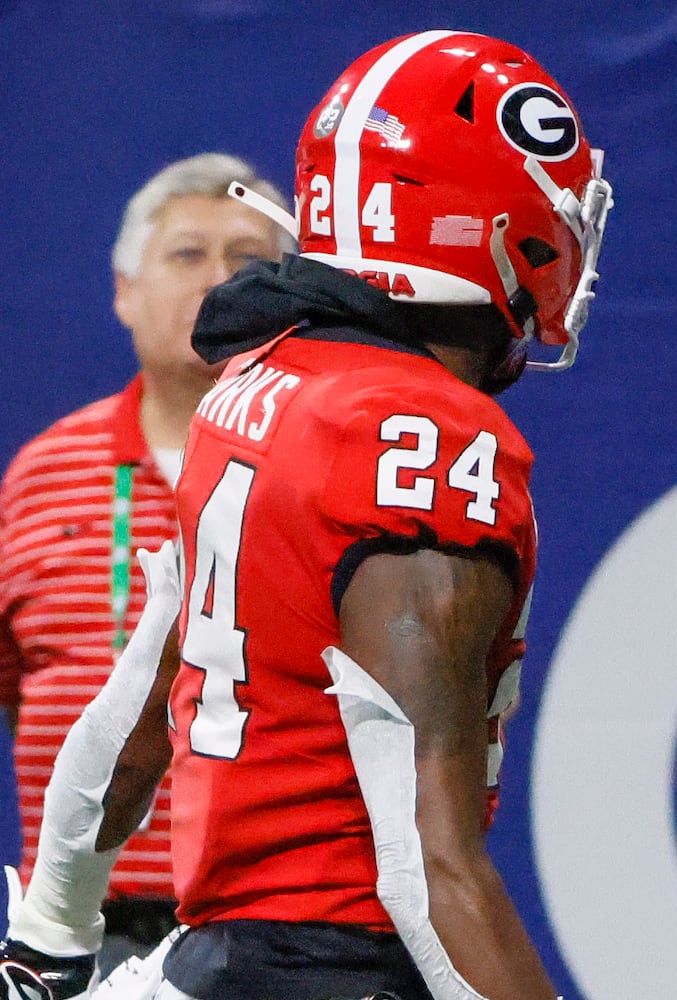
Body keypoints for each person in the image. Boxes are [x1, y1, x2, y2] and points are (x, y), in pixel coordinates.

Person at [0, 28, 611, 1000]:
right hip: (337, 963)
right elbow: (428, 869)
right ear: (493, 227)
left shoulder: (253, 386)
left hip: (209, 962)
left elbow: (137, 715)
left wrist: (47, 930)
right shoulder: (420, 432)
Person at [0, 152, 294, 973]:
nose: (218, 278)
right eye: (187, 254)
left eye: (249, 260)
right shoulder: (42, 473)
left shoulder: (330, 464)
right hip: (81, 934)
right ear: (125, 291)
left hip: (269, 937)